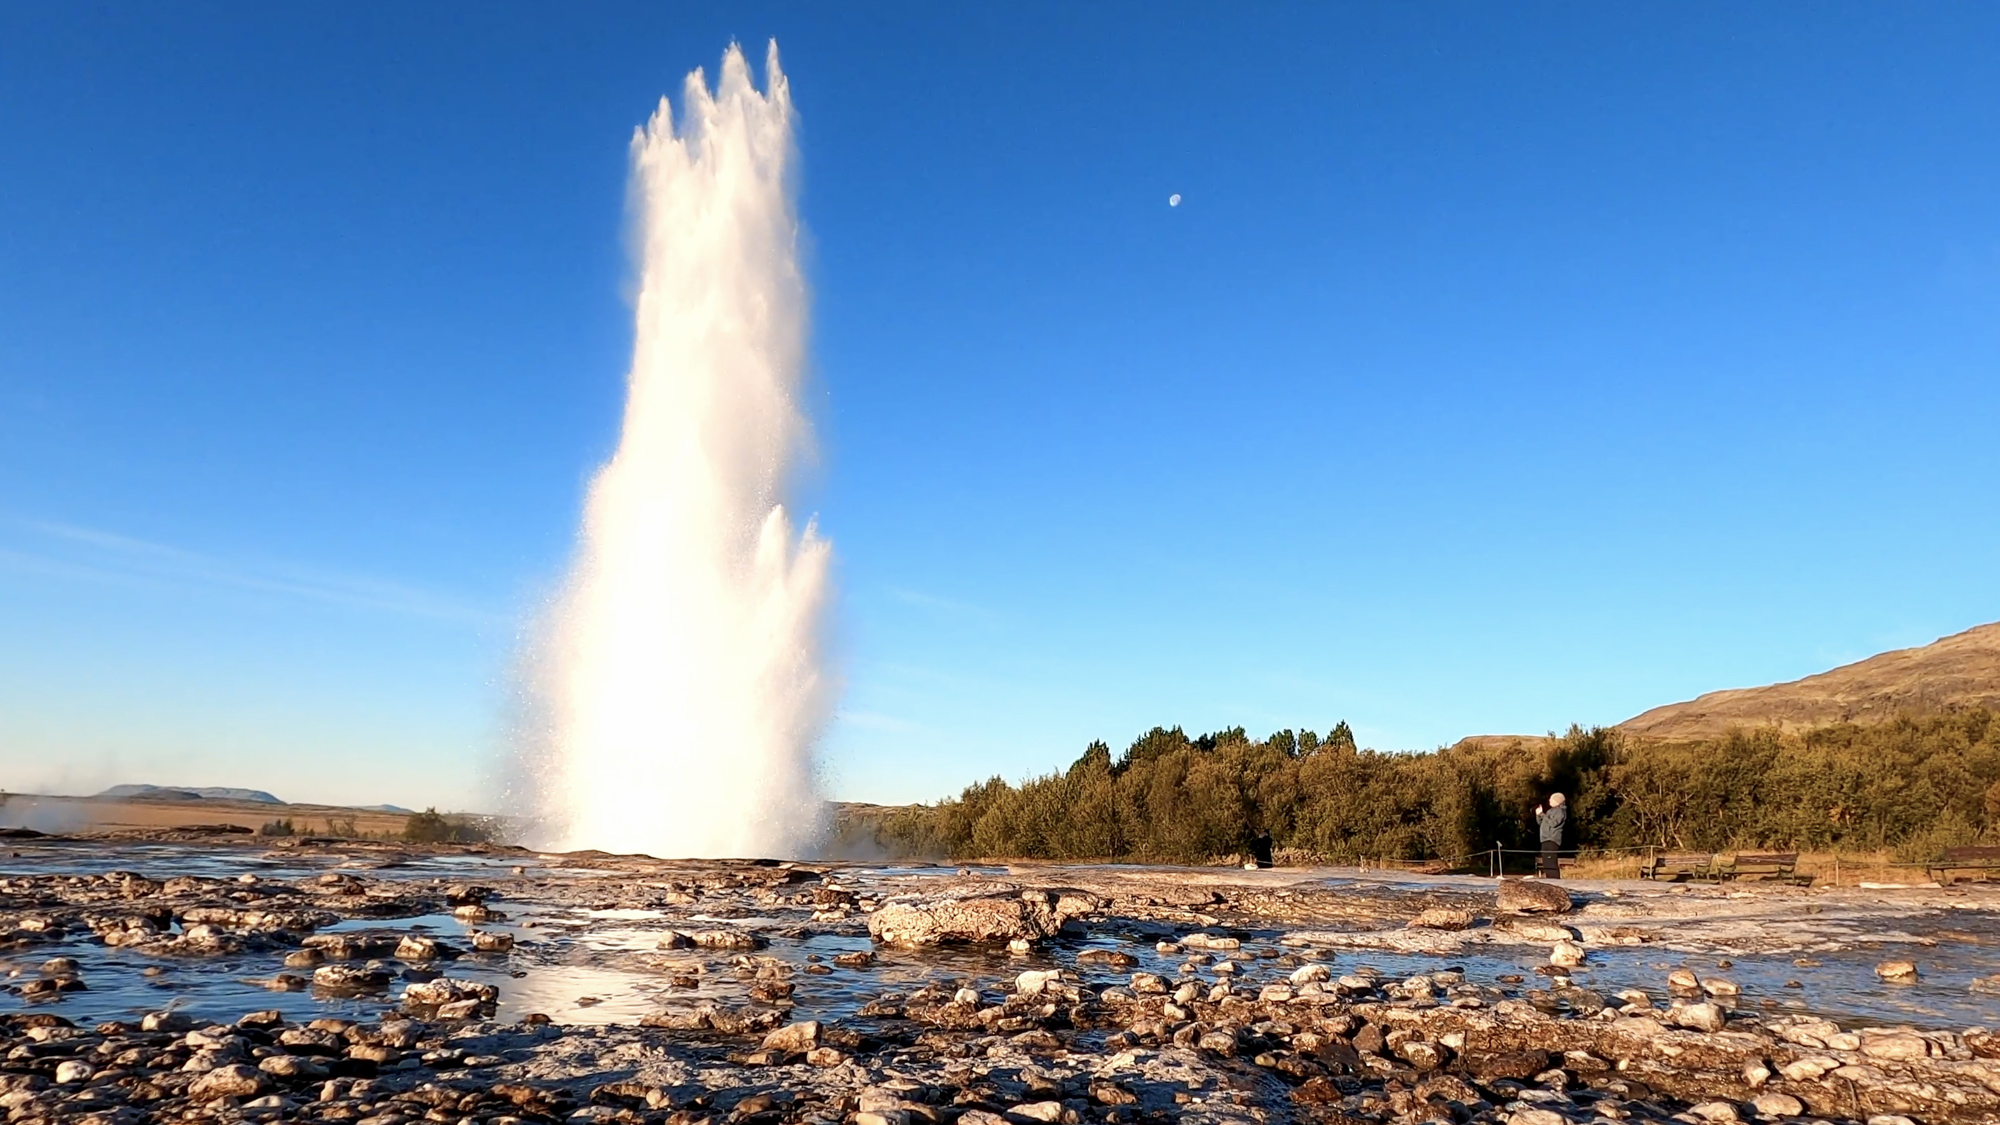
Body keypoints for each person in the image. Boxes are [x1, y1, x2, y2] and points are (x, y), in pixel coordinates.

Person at [1534, 793, 1568, 878]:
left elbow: (1553, 823)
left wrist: (1542, 814)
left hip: (1552, 839)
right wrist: (1538, 815)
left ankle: (1555, 879)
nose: (1549, 801)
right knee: (1546, 862)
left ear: (1558, 801)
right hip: (1544, 839)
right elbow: (1542, 823)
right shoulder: (1550, 811)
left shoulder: (1560, 811)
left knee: (1551, 862)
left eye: (1552, 799)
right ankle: (1549, 878)